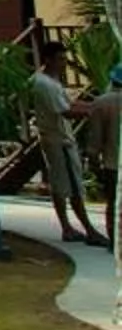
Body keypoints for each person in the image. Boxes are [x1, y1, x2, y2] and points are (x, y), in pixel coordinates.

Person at [30, 45, 100, 244]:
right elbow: (66, 111)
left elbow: (69, 104)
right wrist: (92, 112)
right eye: (60, 59)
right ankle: (85, 229)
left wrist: (95, 105)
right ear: (49, 59)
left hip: (58, 138)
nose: (63, 63)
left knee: (62, 184)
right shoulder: (45, 84)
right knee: (71, 187)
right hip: (58, 140)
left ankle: (70, 227)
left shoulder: (51, 82)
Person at [78, 63, 122, 251]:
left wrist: (93, 160)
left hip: (113, 164)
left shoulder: (102, 103)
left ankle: (115, 242)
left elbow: (95, 139)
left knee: (114, 204)